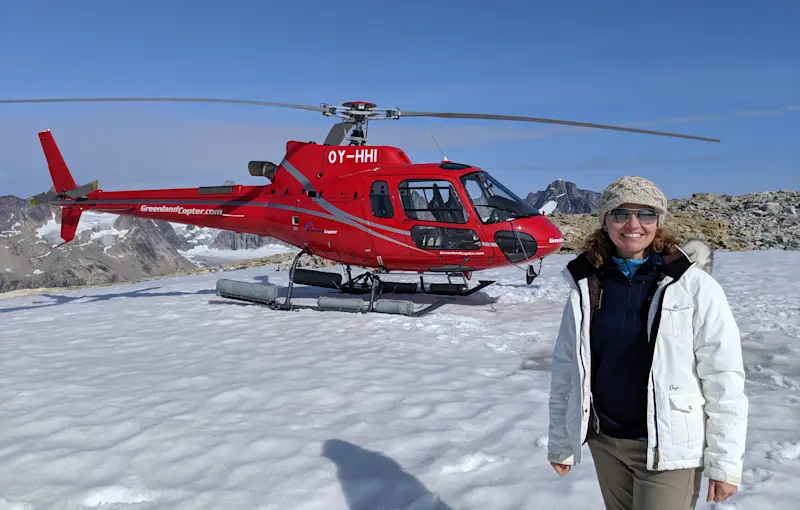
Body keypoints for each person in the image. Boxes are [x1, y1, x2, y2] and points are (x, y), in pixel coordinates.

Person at [546, 176, 748, 510]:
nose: (633, 224)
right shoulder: (587, 285)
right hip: (606, 442)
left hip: (668, 449)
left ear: (659, 222)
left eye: (646, 214)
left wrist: (725, 463)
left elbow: (723, 376)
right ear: (606, 222)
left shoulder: (693, 285)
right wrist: (561, 441)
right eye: (621, 213)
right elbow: (567, 368)